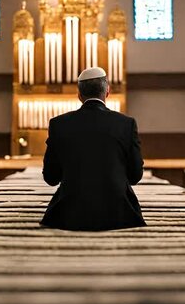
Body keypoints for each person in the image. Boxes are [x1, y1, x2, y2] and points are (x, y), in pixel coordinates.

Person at [40, 67, 146, 231]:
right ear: (107, 92)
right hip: (118, 214)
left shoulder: (59, 124)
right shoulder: (126, 124)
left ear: (79, 95)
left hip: (70, 214)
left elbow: (50, 177)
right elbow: (135, 176)